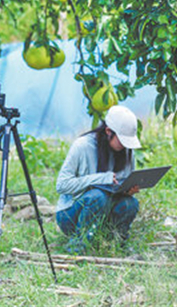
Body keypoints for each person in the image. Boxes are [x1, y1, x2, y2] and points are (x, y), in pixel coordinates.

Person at [55, 105, 141, 252]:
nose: (124, 145)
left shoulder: (126, 151)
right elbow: (62, 185)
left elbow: (123, 185)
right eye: (121, 140)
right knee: (98, 196)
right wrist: (100, 179)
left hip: (105, 211)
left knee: (130, 203)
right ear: (108, 132)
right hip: (71, 214)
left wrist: (127, 191)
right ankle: (79, 246)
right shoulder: (82, 146)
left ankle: (115, 243)